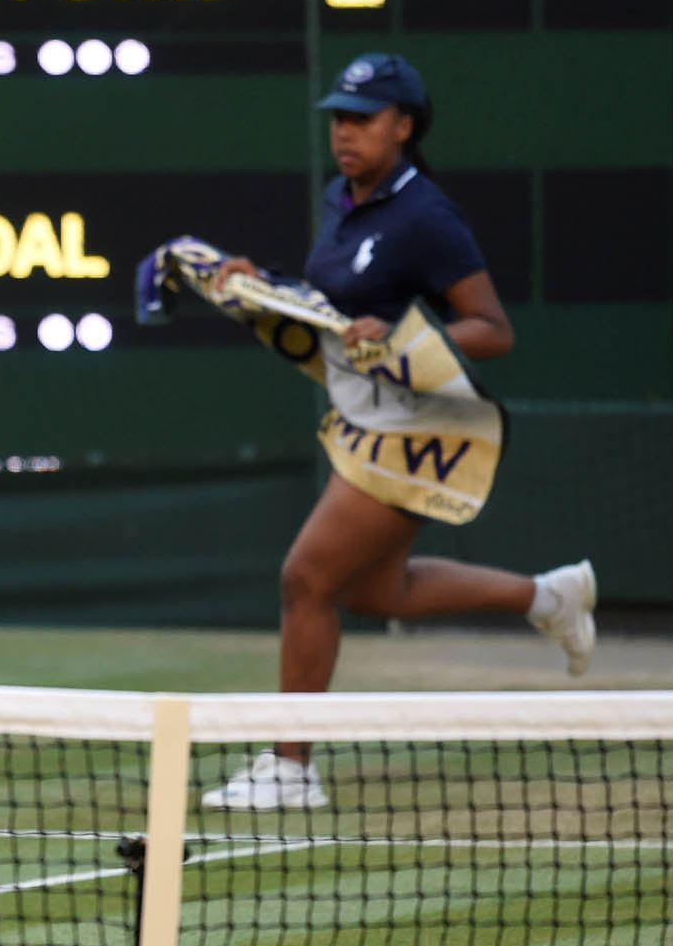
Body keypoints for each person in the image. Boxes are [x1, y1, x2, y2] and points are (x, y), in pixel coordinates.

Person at [201, 53, 596, 811]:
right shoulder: (343, 198)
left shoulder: (427, 217)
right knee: (378, 590)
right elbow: (336, 302)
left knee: (306, 578)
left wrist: (409, 334)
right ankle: (547, 598)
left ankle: (290, 768)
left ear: (404, 127)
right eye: (339, 119)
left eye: (363, 119)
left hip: (425, 427)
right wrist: (267, 284)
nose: (345, 133)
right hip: (367, 417)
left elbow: (491, 329)